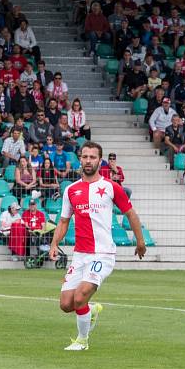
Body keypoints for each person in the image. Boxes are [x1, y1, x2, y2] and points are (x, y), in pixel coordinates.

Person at [49, 141, 146, 351]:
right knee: (66, 304)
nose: (88, 161)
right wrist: (54, 243)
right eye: (85, 157)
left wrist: (140, 241)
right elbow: (64, 221)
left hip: (102, 254)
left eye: (92, 157)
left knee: (80, 296)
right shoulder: (71, 190)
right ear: (80, 159)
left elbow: (130, 213)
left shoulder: (111, 187)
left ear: (99, 161)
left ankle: (82, 341)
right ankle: (91, 311)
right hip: (80, 256)